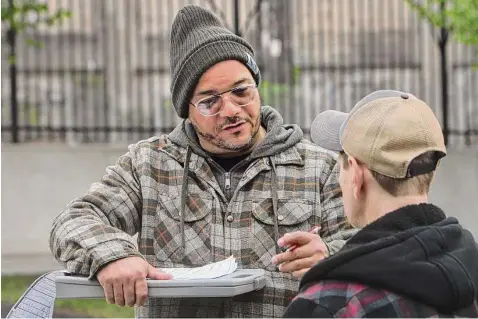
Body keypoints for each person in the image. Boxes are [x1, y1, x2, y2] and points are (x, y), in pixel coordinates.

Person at [49, 5, 357, 318]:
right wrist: (113, 256)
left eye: (241, 91)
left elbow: (368, 247)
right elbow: (74, 221)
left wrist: (328, 255)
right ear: (188, 110)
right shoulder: (150, 165)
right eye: (210, 101)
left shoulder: (318, 168)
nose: (232, 109)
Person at [282, 90, 478, 318]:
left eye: (341, 164)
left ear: (355, 173)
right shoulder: (470, 270)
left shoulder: (326, 305)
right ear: (431, 172)